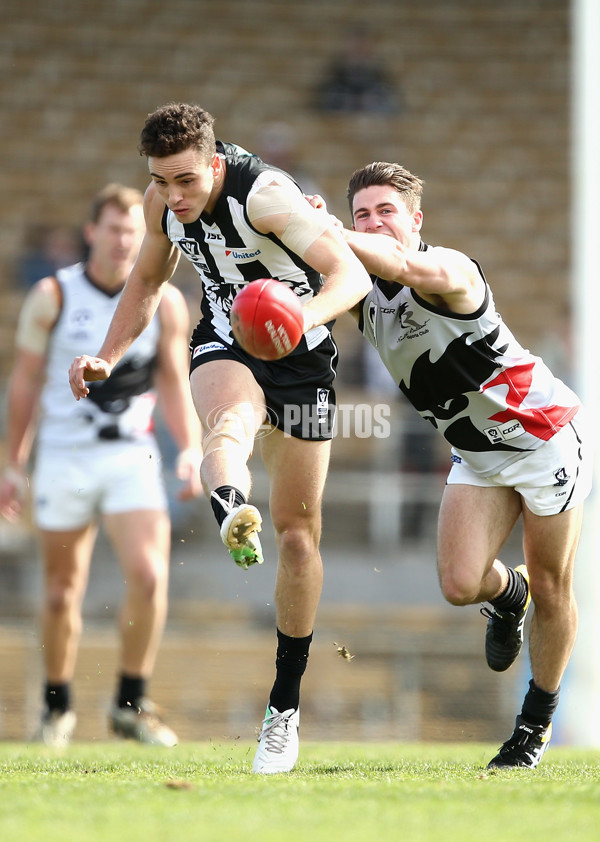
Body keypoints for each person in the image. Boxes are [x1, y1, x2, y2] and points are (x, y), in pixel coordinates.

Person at [67, 104, 373, 772]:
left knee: (298, 537)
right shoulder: (159, 202)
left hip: (301, 348)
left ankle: (282, 710)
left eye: (184, 181)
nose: (172, 197)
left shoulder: (265, 194)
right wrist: (108, 356)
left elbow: (351, 275)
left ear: (212, 163)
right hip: (227, 333)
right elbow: (148, 280)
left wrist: (300, 316)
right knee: (228, 422)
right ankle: (232, 506)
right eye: (160, 180)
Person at [310, 161, 592, 769]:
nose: (374, 223)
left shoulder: (450, 268)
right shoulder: (359, 289)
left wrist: (327, 228)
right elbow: (318, 286)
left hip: (543, 440)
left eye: (387, 211)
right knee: (461, 585)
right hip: (479, 455)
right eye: (362, 213)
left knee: (553, 585)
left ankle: (533, 728)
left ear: (416, 219)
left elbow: (404, 267)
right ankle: (504, 593)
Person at [0, 183, 203, 747]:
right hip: (64, 458)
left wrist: (188, 448)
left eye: (134, 232)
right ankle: (57, 704)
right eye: (113, 229)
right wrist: (12, 463)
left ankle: (131, 703)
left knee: (150, 574)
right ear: (92, 233)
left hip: (129, 457)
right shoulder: (54, 295)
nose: (122, 241)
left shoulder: (165, 300)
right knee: (63, 591)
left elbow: (171, 382)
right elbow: (24, 383)